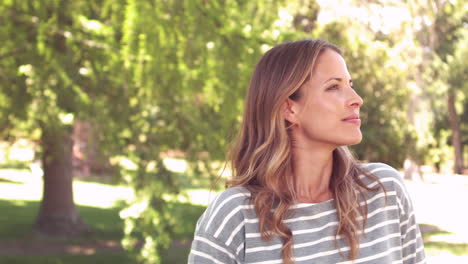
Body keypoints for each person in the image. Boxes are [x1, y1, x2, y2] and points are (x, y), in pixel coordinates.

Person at [188, 39, 425, 264]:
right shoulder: (235, 215)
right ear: (289, 108)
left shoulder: (383, 190)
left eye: (350, 85)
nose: (357, 99)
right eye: (333, 87)